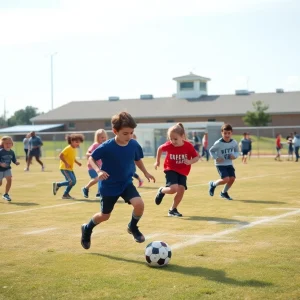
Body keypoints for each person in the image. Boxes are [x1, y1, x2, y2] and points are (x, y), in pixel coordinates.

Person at [80, 112, 155, 250]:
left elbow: (137, 159)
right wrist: (98, 171)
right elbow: (91, 158)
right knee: (104, 216)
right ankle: (87, 228)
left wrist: (145, 172)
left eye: (132, 132)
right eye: (125, 133)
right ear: (115, 131)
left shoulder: (133, 144)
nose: (129, 136)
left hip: (126, 183)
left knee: (139, 204)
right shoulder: (107, 146)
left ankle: (132, 227)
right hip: (109, 185)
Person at [154, 123, 199, 217]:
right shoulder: (169, 145)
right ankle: (162, 190)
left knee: (181, 190)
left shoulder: (188, 146)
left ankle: (172, 209)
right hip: (170, 168)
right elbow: (160, 149)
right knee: (173, 189)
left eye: (175, 139)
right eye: (171, 139)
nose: (173, 141)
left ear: (182, 137)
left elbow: (196, 157)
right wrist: (157, 161)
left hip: (183, 171)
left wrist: (190, 161)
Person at [208, 123, 239, 200]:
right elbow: (211, 151)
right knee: (226, 179)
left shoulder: (234, 142)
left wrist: (234, 156)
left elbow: (237, 151)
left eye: (229, 133)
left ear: (231, 133)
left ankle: (224, 193)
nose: (227, 135)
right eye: (225, 133)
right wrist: (216, 157)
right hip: (220, 164)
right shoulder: (218, 143)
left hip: (229, 163)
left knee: (232, 179)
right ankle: (213, 184)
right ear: (221, 133)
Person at [52, 133, 84, 199]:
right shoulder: (68, 148)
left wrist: (77, 163)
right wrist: (66, 163)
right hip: (64, 168)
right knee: (71, 181)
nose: (78, 144)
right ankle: (58, 185)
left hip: (70, 169)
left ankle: (65, 195)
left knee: (73, 182)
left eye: (79, 142)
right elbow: (60, 155)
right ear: (71, 141)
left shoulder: (73, 149)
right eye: (76, 142)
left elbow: (72, 158)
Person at [82, 129, 108, 198]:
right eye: (102, 137)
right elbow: (87, 153)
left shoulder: (105, 145)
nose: (104, 139)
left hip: (100, 167)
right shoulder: (95, 145)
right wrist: (92, 155)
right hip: (92, 167)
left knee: (102, 178)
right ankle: (86, 188)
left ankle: (99, 193)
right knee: (97, 179)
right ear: (97, 138)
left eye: (105, 137)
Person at [0, 136, 20, 201]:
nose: (8, 145)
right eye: (6, 143)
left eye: (9, 143)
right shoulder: (0, 151)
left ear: (12, 144)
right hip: (0, 169)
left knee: (9, 179)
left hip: (7, 169)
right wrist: (1, 164)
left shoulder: (12, 152)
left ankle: (6, 194)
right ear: (3, 144)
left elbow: (13, 159)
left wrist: (16, 162)